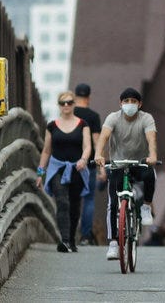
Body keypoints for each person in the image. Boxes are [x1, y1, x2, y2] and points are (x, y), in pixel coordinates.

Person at [94, 87, 158, 260]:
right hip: (118, 164)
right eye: (126, 101)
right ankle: (114, 243)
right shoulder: (113, 118)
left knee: (150, 175)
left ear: (140, 104)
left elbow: (151, 138)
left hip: (139, 162)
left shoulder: (146, 118)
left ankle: (146, 206)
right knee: (113, 203)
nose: (130, 104)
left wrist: (152, 156)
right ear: (121, 103)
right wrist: (99, 154)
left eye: (133, 101)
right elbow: (104, 137)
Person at [36, 91, 91, 253]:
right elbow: (46, 151)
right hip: (57, 168)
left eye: (69, 102)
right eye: (62, 103)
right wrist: (40, 173)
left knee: (75, 205)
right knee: (62, 202)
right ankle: (65, 240)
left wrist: (83, 159)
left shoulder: (83, 124)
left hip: (77, 168)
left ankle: (72, 239)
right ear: (59, 106)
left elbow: (87, 146)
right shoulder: (52, 126)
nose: (66, 105)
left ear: (74, 104)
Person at [73, 83, 102, 246]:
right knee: (88, 199)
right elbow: (97, 141)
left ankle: (69, 233)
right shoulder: (93, 116)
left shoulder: (70, 114)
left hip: (71, 163)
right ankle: (85, 236)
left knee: (72, 197)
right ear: (89, 98)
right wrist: (101, 167)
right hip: (89, 164)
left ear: (75, 97)